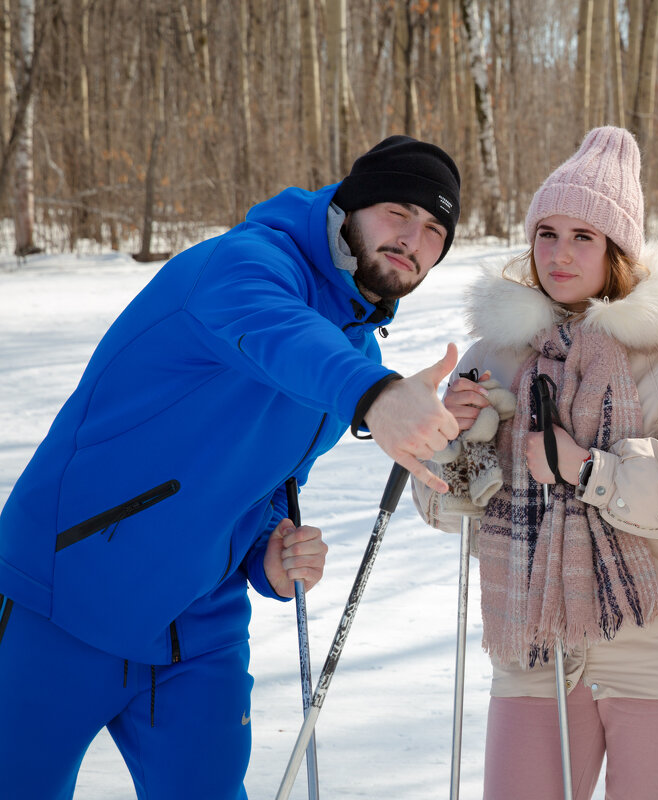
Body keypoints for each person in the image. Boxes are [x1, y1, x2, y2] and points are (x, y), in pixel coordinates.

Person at [0, 135, 465, 799]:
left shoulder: (354, 341)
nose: (412, 238)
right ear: (350, 206)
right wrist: (375, 394)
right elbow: (274, 329)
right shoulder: (243, 264)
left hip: (198, 628)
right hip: (66, 596)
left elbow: (266, 486)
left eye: (433, 230)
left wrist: (266, 557)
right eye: (398, 212)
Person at [415, 126, 658, 800]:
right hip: (535, 645)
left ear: (617, 249)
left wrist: (590, 468)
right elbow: (445, 509)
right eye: (547, 233)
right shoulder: (493, 356)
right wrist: (451, 438)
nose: (560, 254)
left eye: (583, 236)